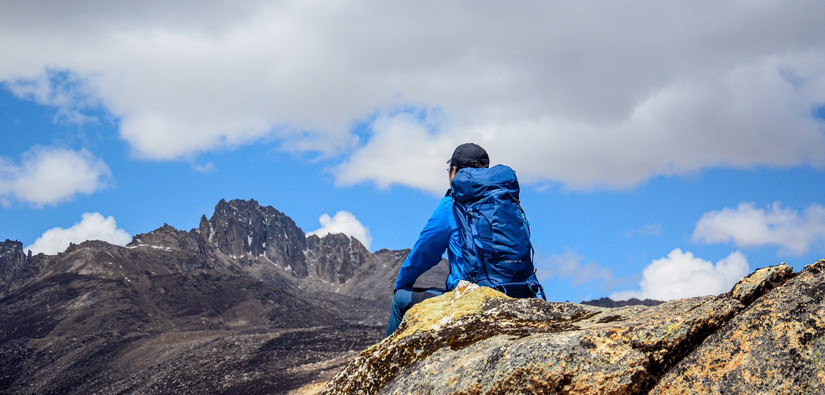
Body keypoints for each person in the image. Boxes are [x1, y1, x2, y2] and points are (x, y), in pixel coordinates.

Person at [386, 143, 491, 337]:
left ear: (453, 171)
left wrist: (401, 284)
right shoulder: (506, 202)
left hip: (471, 298)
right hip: (514, 293)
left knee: (400, 299)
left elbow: (424, 253)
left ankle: (384, 364)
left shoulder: (451, 205)